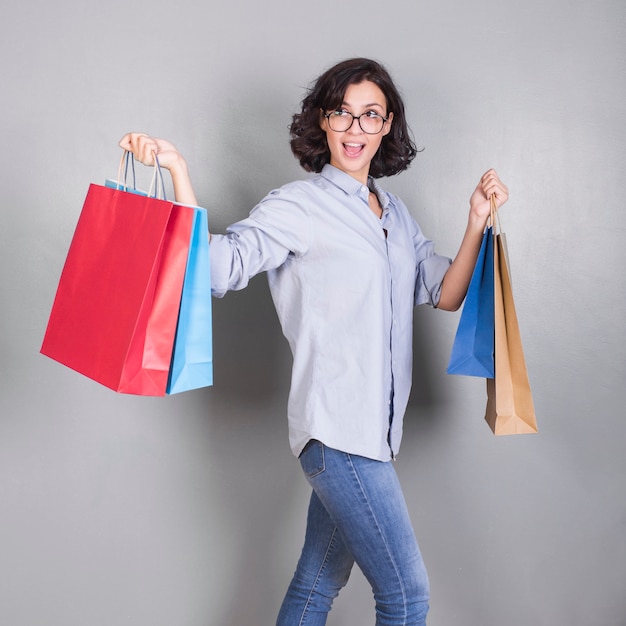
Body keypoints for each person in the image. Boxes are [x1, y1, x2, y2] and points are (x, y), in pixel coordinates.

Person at [120, 57, 508, 626]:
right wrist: (178, 170)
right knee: (407, 596)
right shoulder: (297, 207)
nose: (355, 129)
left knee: (315, 583)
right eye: (342, 114)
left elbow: (444, 292)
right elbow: (216, 268)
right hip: (335, 431)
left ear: (387, 125)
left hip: (377, 436)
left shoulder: (395, 216)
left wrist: (476, 221)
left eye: (369, 116)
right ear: (323, 123)